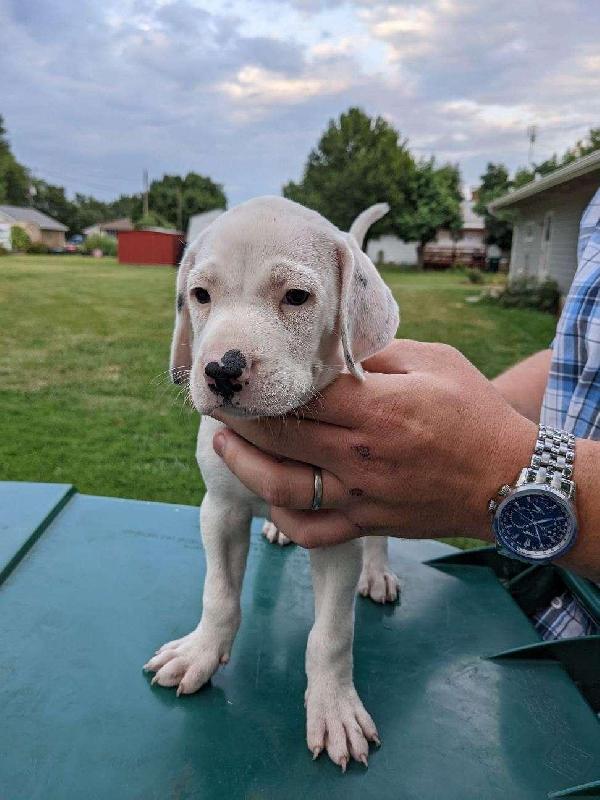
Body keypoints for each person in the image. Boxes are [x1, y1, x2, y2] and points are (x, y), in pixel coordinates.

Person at [212, 188, 600, 639]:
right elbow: (580, 357)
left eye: (294, 295)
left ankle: (377, 556)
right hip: (533, 592)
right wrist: (456, 422)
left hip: (571, 629)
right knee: (371, 455)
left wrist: (506, 467)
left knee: (358, 476)